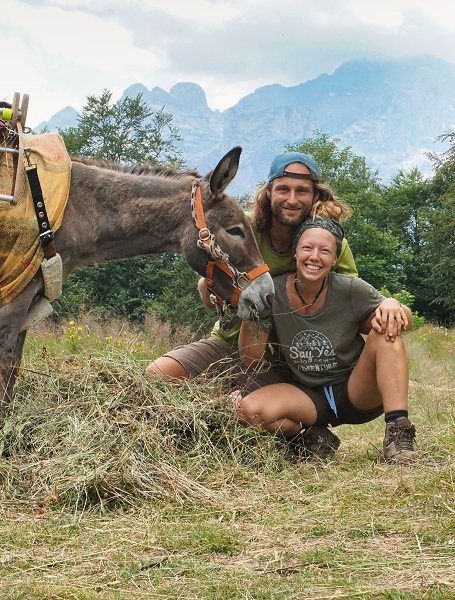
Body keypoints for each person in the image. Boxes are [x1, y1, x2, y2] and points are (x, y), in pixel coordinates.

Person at [146, 152, 357, 387]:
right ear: (268, 192)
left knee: (255, 409)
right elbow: (209, 299)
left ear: (315, 195)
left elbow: (349, 296)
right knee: (158, 374)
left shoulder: (327, 242)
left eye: (302, 191)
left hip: (293, 359)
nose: (292, 199)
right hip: (229, 342)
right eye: (283, 189)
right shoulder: (238, 228)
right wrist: (209, 286)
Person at [234, 217, 418, 463]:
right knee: (248, 410)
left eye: (325, 251)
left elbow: (404, 320)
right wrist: (250, 311)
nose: (314, 256)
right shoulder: (273, 292)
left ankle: (398, 434)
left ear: (334, 259)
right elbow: (250, 358)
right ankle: (309, 437)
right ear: (295, 253)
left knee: (386, 331)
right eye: (307, 248)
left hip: (355, 390)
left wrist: (393, 304)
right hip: (308, 396)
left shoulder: (350, 289)